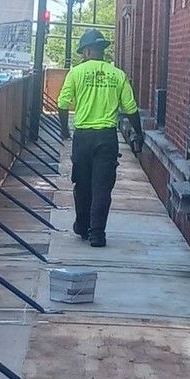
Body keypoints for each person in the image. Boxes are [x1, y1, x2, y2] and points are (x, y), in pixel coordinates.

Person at [55, 28, 143, 247]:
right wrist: (138, 133)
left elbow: (62, 103)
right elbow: (131, 109)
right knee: (102, 187)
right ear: (102, 50)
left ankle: (82, 226)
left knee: (82, 185)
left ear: (86, 51)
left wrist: (64, 130)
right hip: (107, 138)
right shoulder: (118, 75)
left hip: (83, 137)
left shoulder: (75, 73)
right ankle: (97, 234)